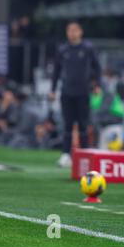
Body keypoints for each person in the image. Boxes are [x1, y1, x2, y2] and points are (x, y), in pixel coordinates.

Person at [49, 21, 101, 167]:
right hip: (66, 91)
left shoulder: (88, 48)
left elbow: (97, 67)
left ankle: (84, 154)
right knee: (67, 124)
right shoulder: (63, 49)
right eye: (69, 31)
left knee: (83, 124)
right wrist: (53, 89)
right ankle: (66, 154)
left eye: (74, 30)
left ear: (80, 32)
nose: (72, 33)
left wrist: (97, 84)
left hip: (83, 92)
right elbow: (56, 71)